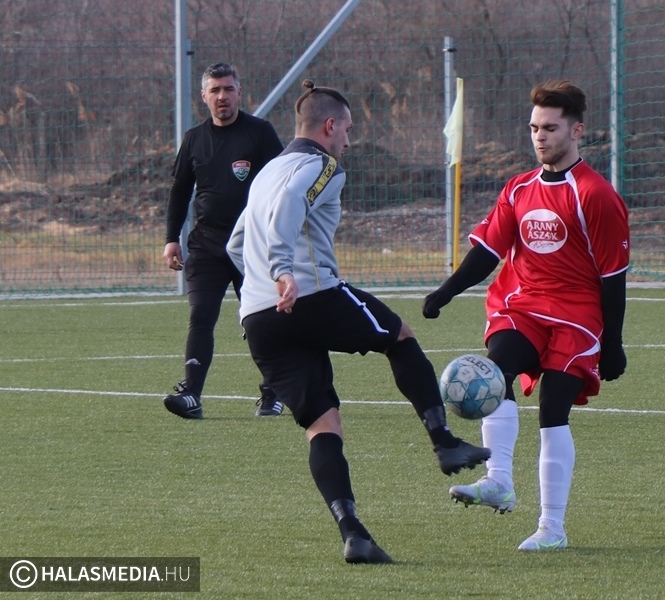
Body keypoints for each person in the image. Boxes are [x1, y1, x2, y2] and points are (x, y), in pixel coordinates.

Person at [226, 79, 491, 564]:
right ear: (329, 126)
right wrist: (285, 271)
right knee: (400, 337)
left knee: (323, 426)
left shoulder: (265, 173)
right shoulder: (321, 165)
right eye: (347, 128)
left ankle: (354, 532)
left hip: (261, 320)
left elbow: (236, 245)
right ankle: (444, 443)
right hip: (310, 293)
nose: (348, 139)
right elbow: (290, 208)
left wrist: (262, 288)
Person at [422, 80, 630, 551]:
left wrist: (613, 344)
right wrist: (447, 290)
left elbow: (612, 278)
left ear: (576, 130)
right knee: (495, 373)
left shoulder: (595, 195)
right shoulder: (519, 188)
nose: (540, 137)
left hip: (577, 318)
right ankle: (498, 481)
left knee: (553, 413)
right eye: (534, 128)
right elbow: (486, 252)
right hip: (523, 307)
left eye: (550, 128)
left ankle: (551, 528)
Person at [163, 62, 285, 419]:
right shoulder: (194, 139)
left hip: (254, 245)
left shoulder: (260, 133)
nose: (222, 97)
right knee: (201, 314)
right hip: (206, 244)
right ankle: (191, 394)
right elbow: (179, 191)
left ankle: (272, 392)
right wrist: (172, 239)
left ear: (239, 92)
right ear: (204, 97)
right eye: (215, 91)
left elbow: (282, 185)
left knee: (260, 320)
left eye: (228, 89)